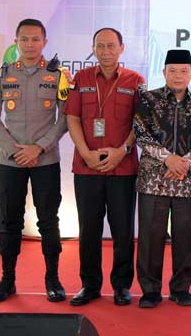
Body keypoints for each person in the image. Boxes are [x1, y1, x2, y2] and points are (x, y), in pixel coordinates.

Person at [0, 18, 70, 303]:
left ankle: (53, 280)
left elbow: (65, 119)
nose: (30, 44)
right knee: (10, 221)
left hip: (45, 161)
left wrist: (39, 148)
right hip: (11, 162)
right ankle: (7, 280)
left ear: (44, 42)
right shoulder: (2, 74)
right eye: (24, 39)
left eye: (36, 39)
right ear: (16, 42)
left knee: (49, 221)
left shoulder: (58, 76)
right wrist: (14, 149)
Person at [65, 28, 146, 307]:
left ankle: (122, 286)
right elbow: (72, 118)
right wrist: (85, 153)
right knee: (89, 229)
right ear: (93, 48)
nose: (106, 51)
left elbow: (140, 123)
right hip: (86, 167)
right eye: (100, 46)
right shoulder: (81, 78)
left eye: (111, 46)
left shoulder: (136, 81)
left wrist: (122, 151)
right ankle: (89, 285)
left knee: (123, 229)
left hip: (122, 167)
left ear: (122, 48)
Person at [133, 49, 191, 308]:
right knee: (150, 238)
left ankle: (181, 288)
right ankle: (150, 290)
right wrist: (167, 158)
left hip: (186, 179)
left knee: (185, 237)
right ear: (164, 72)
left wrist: (183, 162)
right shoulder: (148, 99)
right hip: (154, 178)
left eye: (183, 71)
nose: (178, 75)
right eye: (172, 70)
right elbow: (141, 134)